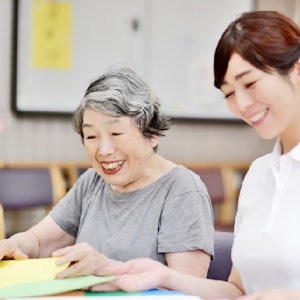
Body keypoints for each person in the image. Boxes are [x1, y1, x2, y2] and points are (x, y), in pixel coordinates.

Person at [90, 11, 300, 300]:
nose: (242, 104)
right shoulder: (260, 173)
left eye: (250, 83)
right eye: (228, 93)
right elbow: (238, 291)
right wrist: (164, 276)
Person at [0, 67, 214, 279]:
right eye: (91, 136)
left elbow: (188, 287)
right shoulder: (92, 182)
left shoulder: (183, 190)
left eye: (116, 133)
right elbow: (39, 242)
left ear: (152, 133)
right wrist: (14, 245)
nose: (103, 150)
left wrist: (108, 268)